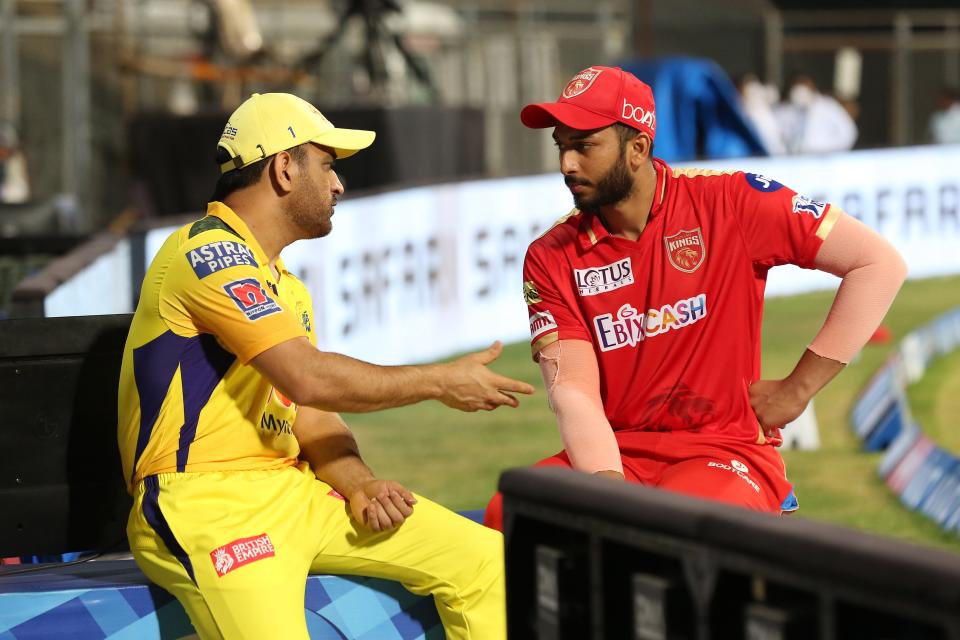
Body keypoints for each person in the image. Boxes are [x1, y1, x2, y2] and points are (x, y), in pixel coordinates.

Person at [117, 92, 534, 640]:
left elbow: (307, 413)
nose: (338, 185)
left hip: (292, 493)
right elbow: (306, 376)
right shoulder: (204, 254)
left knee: (487, 562)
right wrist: (438, 380)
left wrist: (359, 483)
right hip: (207, 505)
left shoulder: (285, 287)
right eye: (329, 165)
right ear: (284, 167)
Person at [483, 66, 906, 531]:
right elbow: (573, 392)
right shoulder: (550, 256)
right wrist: (607, 491)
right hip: (613, 453)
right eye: (562, 146)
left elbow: (878, 264)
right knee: (509, 512)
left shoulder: (731, 200)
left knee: (680, 529)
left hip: (722, 452)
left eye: (584, 146)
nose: (567, 164)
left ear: (638, 148)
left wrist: (796, 391)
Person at [776, 74, 858, 154]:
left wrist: (829, 150)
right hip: (794, 159)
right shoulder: (786, 109)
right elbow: (777, 134)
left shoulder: (828, 105)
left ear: (812, 87)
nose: (800, 92)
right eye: (797, 87)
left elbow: (848, 133)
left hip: (825, 158)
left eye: (804, 86)